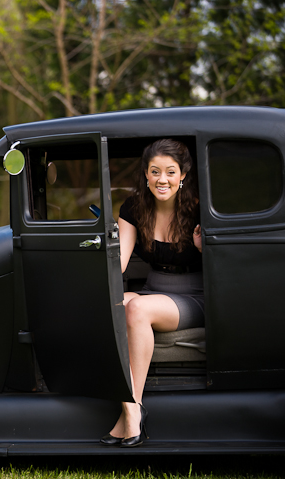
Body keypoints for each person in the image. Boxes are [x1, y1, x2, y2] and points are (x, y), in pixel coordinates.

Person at [101, 139, 203, 447]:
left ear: (183, 174)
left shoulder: (199, 208)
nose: (162, 179)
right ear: (145, 175)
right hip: (154, 289)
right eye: (155, 171)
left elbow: (228, 263)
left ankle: (132, 411)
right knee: (116, 304)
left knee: (137, 308)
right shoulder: (134, 208)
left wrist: (205, 248)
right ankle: (131, 409)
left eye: (170, 172)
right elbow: (117, 264)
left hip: (194, 294)